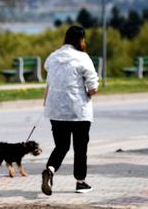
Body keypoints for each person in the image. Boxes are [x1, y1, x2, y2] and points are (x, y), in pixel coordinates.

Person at [41, 25, 99, 196]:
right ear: (81, 40)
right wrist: (89, 91)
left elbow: (49, 80)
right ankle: (80, 183)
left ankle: (50, 170)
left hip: (56, 110)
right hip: (78, 111)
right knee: (80, 148)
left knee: (61, 146)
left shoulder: (52, 57)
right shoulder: (83, 58)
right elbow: (93, 86)